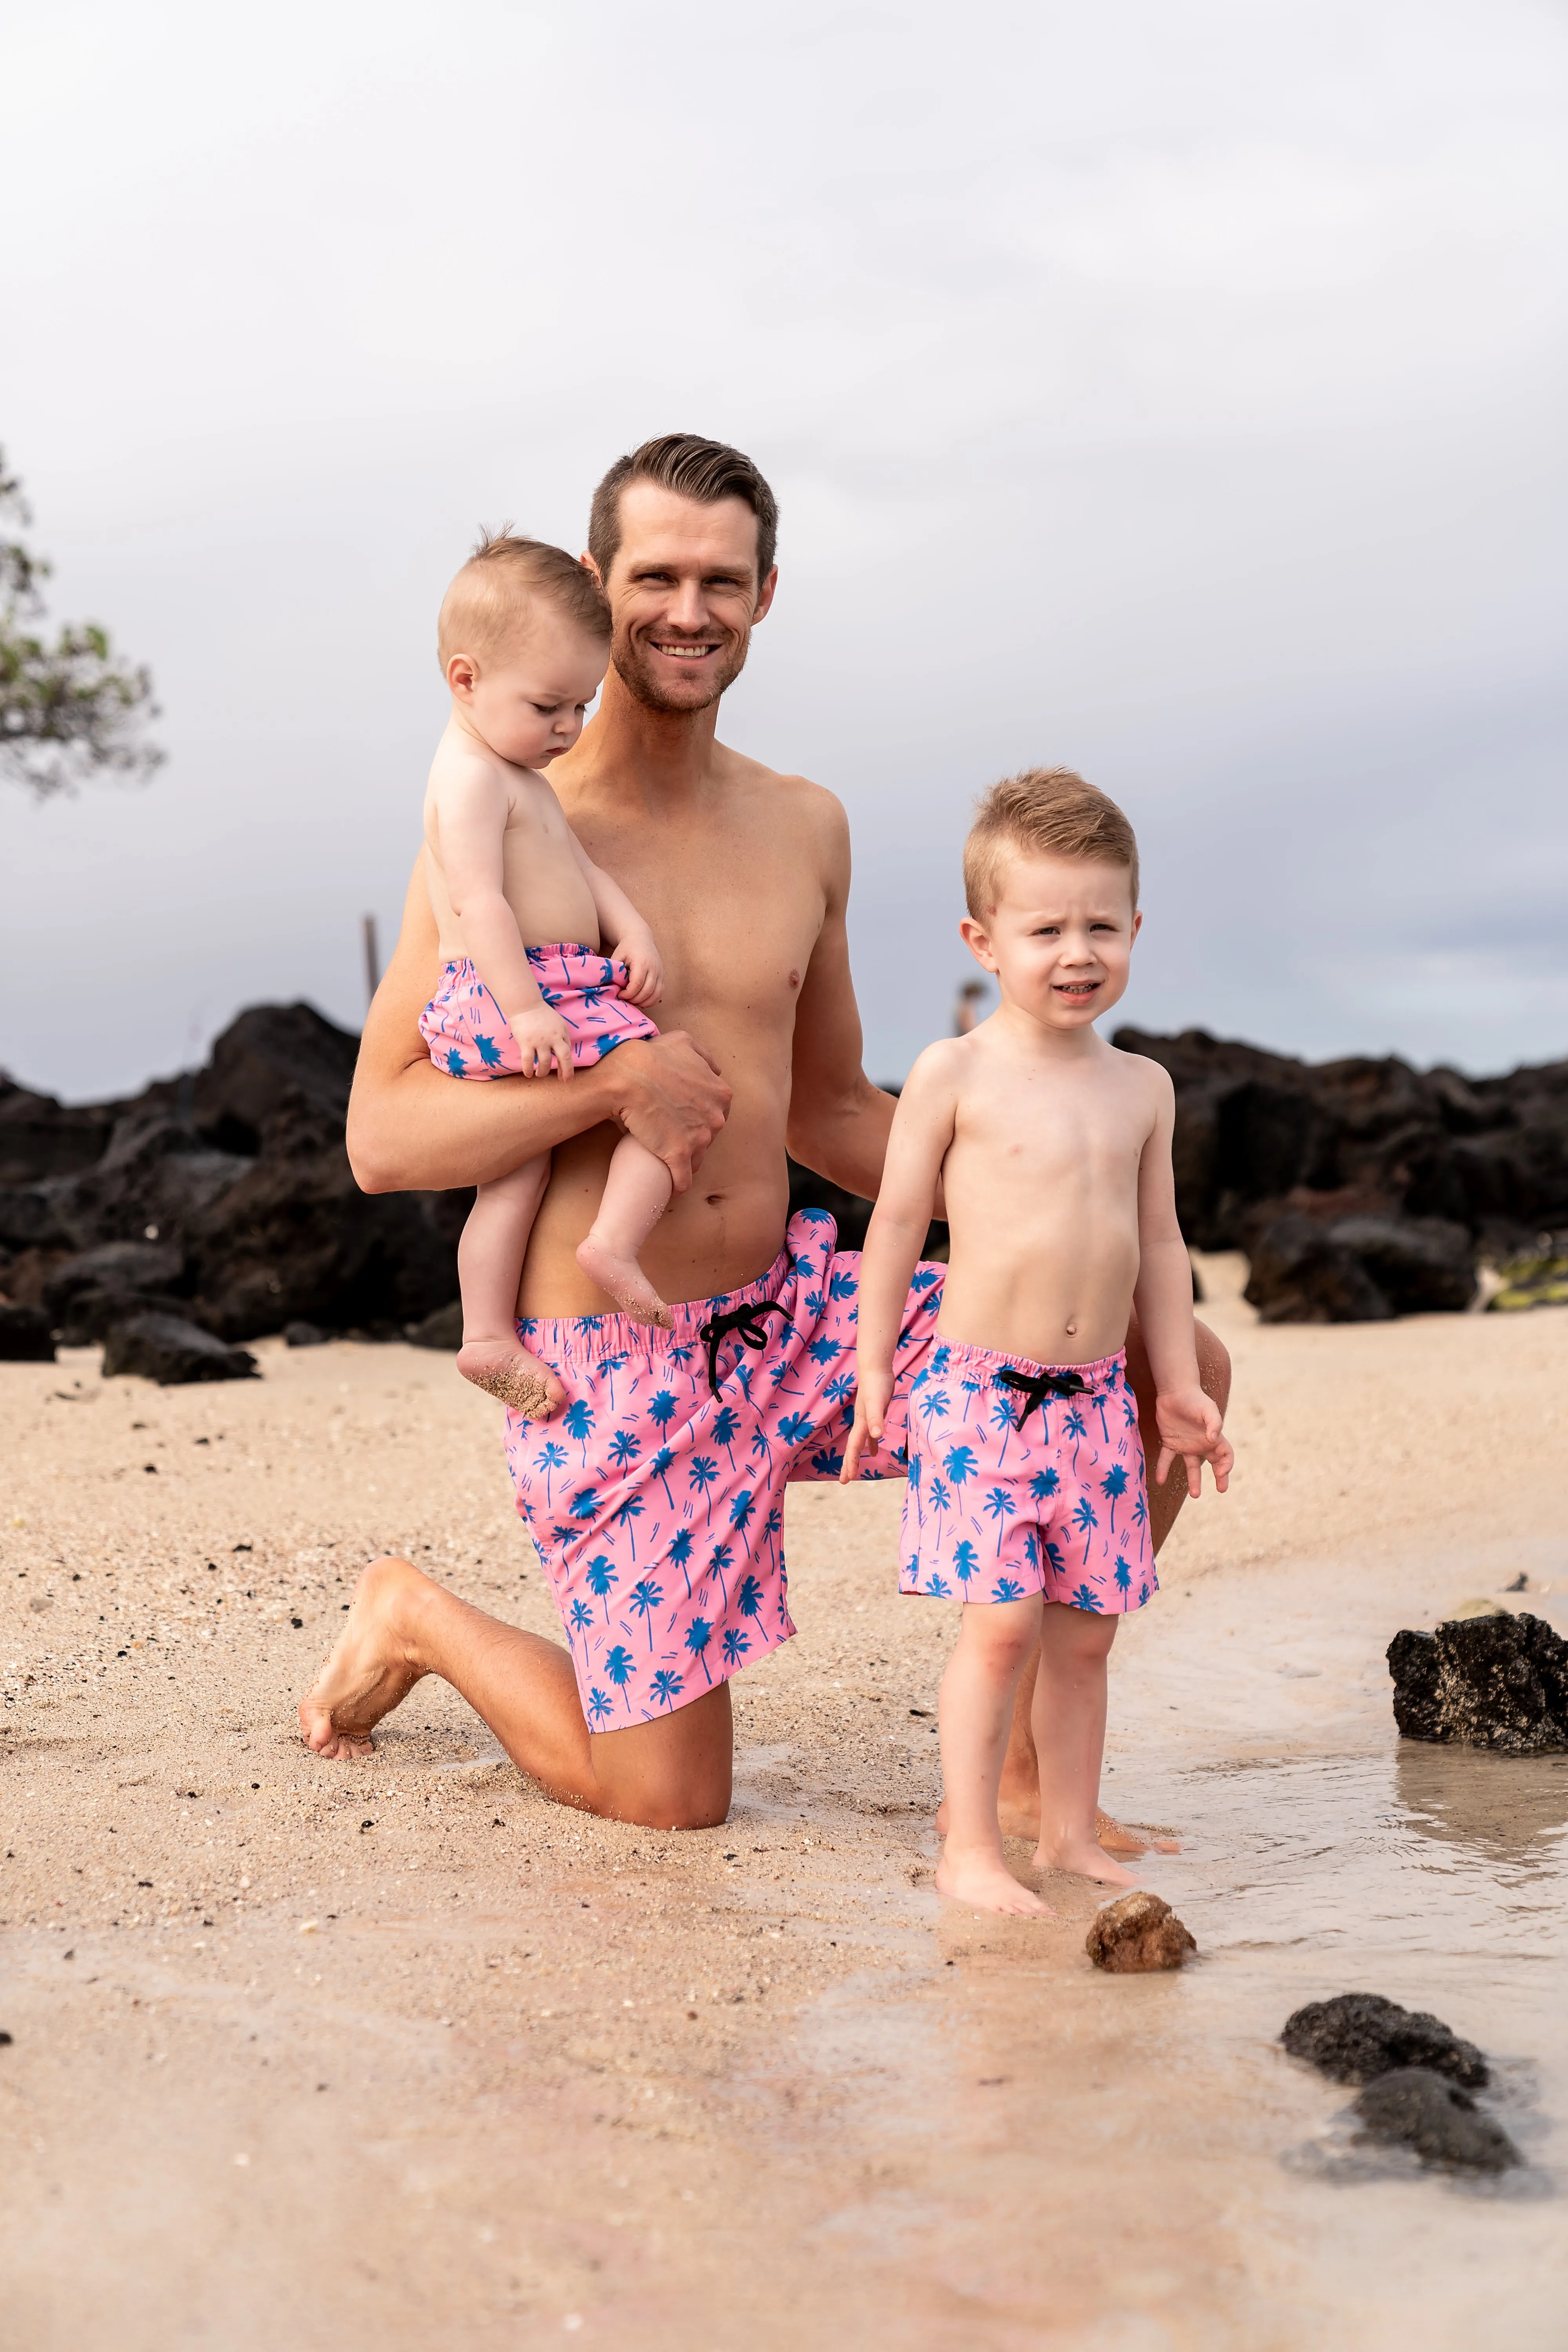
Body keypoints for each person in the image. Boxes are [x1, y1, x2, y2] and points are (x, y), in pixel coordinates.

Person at [299, 433, 1231, 1833]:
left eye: (721, 580)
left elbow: (842, 1108)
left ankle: (1035, 1772)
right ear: (597, 585)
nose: (689, 610)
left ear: (767, 595)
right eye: (656, 576)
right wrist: (610, 1091)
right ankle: (416, 1615)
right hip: (615, 1356)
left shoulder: (806, 827)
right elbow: (382, 1135)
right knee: (668, 1803)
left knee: (1169, 1370)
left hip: (799, 1309)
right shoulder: (505, 826)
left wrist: (1070, 1222)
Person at [841, 770, 1232, 1913]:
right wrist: (876, 1364)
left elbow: (1161, 1246)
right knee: (1003, 1626)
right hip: (978, 1395)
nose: (1077, 952)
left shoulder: (1142, 1089)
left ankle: (1064, 1832)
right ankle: (970, 1844)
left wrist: (1175, 1390)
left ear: (1136, 931)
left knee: (1085, 1638)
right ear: (984, 939)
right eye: (1046, 927)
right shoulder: (953, 1073)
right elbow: (898, 1225)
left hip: (1098, 1403)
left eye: (1101, 926)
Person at [418, 532, 675, 1422]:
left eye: (581, 705)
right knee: (671, 1085)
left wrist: (630, 929)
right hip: (508, 988)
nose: (568, 728)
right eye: (548, 706)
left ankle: (492, 1332)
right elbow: (478, 902)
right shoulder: (468, 782)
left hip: (558, 982)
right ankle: (605, 1248)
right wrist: (525, 1010)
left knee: (521, 1172)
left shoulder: (520, 773)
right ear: (465, 678)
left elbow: (582, 871)